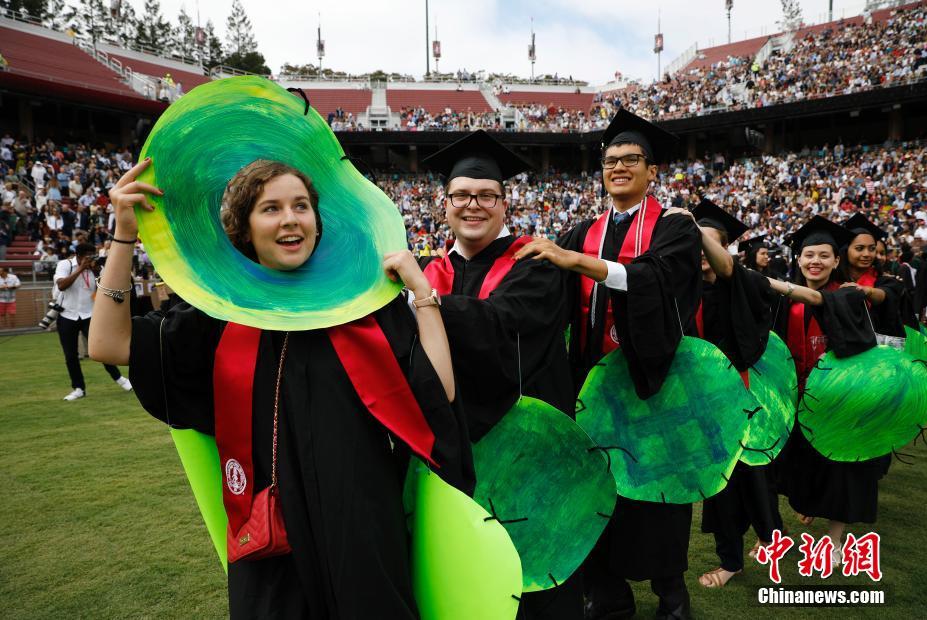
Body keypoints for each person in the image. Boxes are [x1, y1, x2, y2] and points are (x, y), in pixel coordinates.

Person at [89, 158, 473, 618]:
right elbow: (107, 344)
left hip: (362, 527)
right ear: (244, 228)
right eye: (270, 208)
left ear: (316, 221)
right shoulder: (220, 315)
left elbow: (439, 390)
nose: (290, 219)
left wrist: (422, 295)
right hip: (271, 535)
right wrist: (124, 236)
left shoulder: (362, 304)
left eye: (301, 206)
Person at [515, 109, 702, 620]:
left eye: (630, 160)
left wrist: (581, 263)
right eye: (610, 160)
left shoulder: (673, 227)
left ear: (651, 170)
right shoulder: (583, 229)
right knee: (598, 487)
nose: (618, 167)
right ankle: (607, 593)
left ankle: (671, 594)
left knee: (656, 493)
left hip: (651, 386)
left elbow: (660, 280)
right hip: (592, 385)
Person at [418, 131, 577, 619]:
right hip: (452, 451)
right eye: (462, 196)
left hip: (526, 448)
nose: (474, 205)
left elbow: (505, 330)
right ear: (444, 204)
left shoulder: (537, 263)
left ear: (505, 204)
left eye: (487, 195)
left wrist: (425, 301)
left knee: (534, 577)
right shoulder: (432, 269)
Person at [668, 200, 784, 589]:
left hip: (741, 396)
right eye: (693, 243)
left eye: (707, 243)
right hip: (702, 404)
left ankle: (771, 540)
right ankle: (730, 558)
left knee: (754, 478)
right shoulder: (681, 289)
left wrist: (695, 228)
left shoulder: (743, 284)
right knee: (718, 486)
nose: (699, 252)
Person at [768, 216, 883, 561]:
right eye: (808, 255)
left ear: (836, 261)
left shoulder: (847, 296)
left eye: (823, 255)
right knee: (794, 467)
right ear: (798, 260)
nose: (814, 261)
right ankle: (781, 523)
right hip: (796, 398)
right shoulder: (784, 301)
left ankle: (834, 541)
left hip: (839, 402)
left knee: (841, 472)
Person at [54, 242, 131, 401]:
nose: (90, 259)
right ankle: (78, 388)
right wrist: (80, 268)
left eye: (93, 255)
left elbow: (106, 288)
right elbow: (61, 285)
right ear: (78, 255)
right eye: (87, 256)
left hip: (90, 315)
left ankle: (120, 379)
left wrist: (96, 270)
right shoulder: (65, 264)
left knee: (101, 350)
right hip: (68, 315)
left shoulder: (96, 268)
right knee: (70, 355)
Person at [0, 264, 20, 329]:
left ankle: (13, 330)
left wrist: (9, 287)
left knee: (12, 314)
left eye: (1, 271)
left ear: (5, 272)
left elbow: (18, 285)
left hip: (11, 300)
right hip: (1, 300)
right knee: (2, 315)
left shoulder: (13, 277)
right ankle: (4, 330)